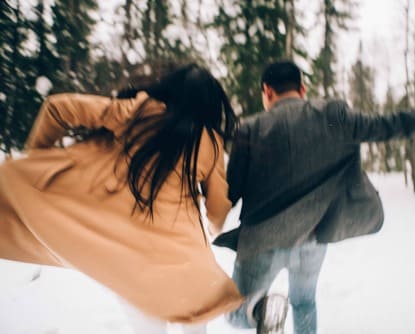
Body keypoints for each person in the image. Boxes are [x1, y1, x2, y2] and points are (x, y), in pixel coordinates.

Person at [213, 60, 415, 334]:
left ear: (267, 92)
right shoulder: (333, 116)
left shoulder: (249, 129)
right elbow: (399, 123)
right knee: (303, 302)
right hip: (314, 238)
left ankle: (261, 309)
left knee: (236, 313)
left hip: (265, 242)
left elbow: (231, 191)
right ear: (302, 90)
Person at [0, 63, 244, 333]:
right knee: (198, 317)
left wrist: (38, 158)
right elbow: (218, 208)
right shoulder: (209, 141)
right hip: (184, 258)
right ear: (211, 105)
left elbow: (57, 107)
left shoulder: (138, 112)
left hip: (130, 258)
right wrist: (213, 226)